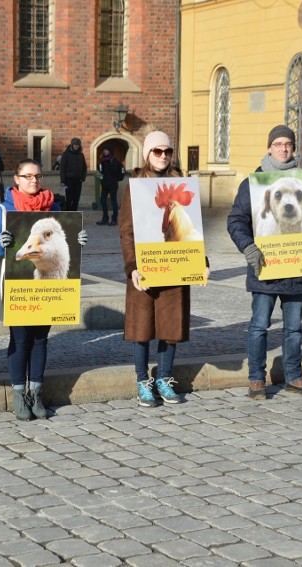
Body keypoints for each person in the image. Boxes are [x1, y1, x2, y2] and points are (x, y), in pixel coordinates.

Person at [227, 125, 302, 400]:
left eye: (288, 144)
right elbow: (236, 221)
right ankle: (256, 379)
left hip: (297, 268)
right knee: (259, 326)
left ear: (293, 148)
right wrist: (249, 248)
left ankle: (294, 377)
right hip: (265, 267)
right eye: (278, 144)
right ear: (269, 147)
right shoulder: (254, 183)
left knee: (294, 328)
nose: (283, 148)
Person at [0, 159, 87, 420]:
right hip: (20, 290)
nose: (33, 181)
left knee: (40, 339)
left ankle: (36, 392)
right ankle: (19, 393)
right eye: (27, 176)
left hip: (48, 291)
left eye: (37, 176)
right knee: (20, 339)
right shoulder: (4, 210)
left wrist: (78, 240)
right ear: (16, 179)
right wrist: (0, 244)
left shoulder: (55, 207)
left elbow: (63, 246)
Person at [119, 131, 204, 407]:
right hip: (145, 266)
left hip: (175, 265)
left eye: (167, 151)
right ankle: (143, 381)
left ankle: (164, 378)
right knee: (142, 328)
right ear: (147, 155)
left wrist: (200, 262)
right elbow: (127, 231)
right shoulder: (135, 186)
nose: (163, 156)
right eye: (157, 151)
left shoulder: (182, 183)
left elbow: (192, 228)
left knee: (171, 326)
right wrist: (131, 266)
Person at [97, 148, 124, 226]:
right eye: (104, 150)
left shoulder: (114, 160)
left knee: (113, 201)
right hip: (105, 184)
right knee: (102, 200)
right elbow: (101, 171)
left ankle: (114, 219)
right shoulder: (103, 160)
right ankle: (105, 218)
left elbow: (121, 170)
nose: (105, 151)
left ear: (110, 151)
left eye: (107, 150)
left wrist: (117, 179)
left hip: (112, 184)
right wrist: (99, 163)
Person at [59, 138, 87, 211]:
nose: (76, 146)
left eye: (78, 145)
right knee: (69, 199)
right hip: (69, 180)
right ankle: (68, 214)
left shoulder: (81, 154)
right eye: (75, 145)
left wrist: (82, 178)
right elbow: (62, 168)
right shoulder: (66, 154)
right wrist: (62, 181)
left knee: (76, 199)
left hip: (78, 180)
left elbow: (84, 167)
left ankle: (75, 215)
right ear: (72, 145)